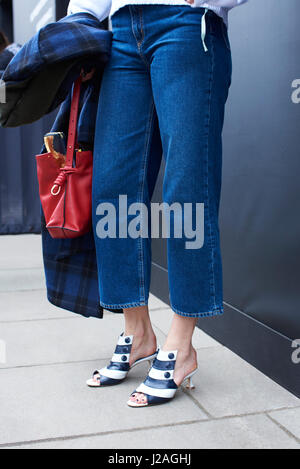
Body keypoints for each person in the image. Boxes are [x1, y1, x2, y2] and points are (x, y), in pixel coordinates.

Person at [67, 0, 248, 407]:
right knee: (114, 188)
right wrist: (80, 23)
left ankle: (181, 346)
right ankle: (139, 332)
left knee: (187, 189)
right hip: (120, 31)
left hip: (185, 26)